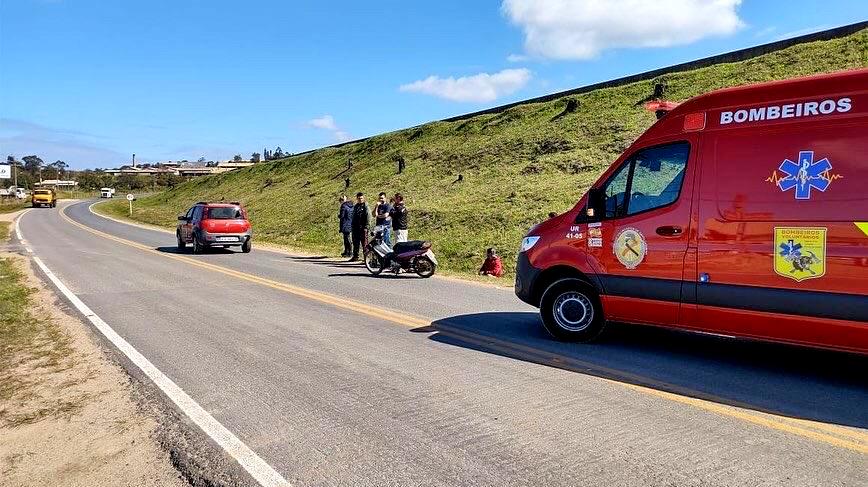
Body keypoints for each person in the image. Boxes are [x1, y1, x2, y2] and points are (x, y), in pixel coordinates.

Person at [350, 192, 370, 261]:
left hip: (363, 228)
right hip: (356, 228)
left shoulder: (365, 206)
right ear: (357, 199)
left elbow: (368, 216)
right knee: (355, 242)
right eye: (359, 198)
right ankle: (355, 256)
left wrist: (367, 226)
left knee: (364, 243)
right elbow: (353, 217)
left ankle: (366, 258)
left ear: (363, 198)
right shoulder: (356, 206)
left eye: (361, 198)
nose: (360, 199)